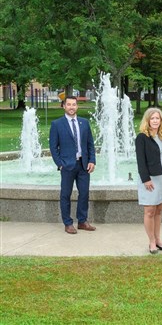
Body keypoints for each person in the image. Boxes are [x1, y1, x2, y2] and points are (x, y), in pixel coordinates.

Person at [49, 96, 97, 234]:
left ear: (77, 106)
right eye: (68, 104)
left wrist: (92, 160)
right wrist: (60, 164)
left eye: (74, 104)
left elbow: (90, 145)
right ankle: (68, 223)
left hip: (83, 165)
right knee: (65, 194)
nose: (71, 107)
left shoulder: (84, 123)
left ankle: (82, 221)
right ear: (64, 106)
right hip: (67, 166)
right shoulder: (57, 124)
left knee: (84, 194)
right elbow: (53, 147)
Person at [136, 108, 162, 254]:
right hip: (149, 179)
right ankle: (151, 241)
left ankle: (158, 240)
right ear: (147, 120)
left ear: (161, 120)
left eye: (158, 118)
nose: (155, 120)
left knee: (159, 210)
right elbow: (140, 161)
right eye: (152, 118)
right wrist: (146, 179)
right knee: (149, 211)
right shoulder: (142, 138)